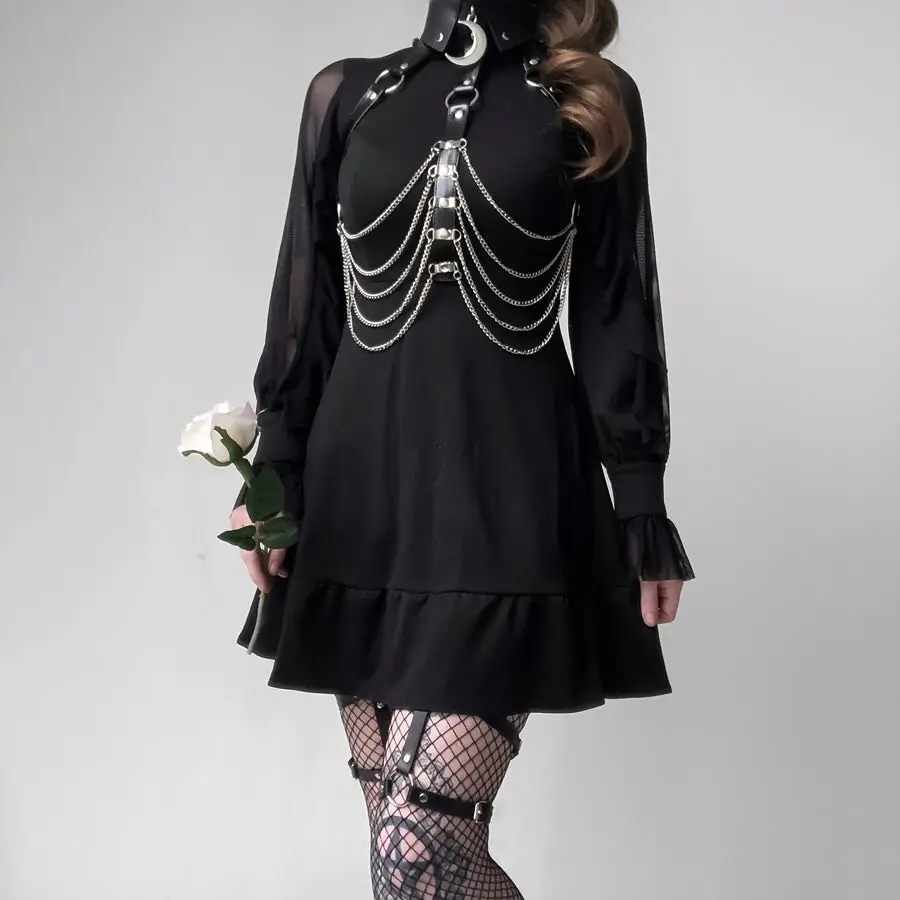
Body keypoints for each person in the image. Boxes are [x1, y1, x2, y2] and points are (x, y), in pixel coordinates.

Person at [229, 0, 695, 895]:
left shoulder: (588, 96)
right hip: (360, 499)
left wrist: (640, 498)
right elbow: (306, 299)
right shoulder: (348, 93)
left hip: (509, 495)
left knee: (421, 847)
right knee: (398, 860)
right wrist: (274, 472)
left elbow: (615, 308)